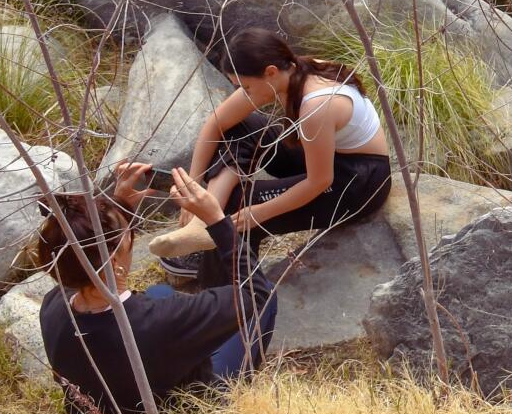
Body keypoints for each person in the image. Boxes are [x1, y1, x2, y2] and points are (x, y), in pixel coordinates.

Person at [37, 163, 277, 414]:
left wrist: (120, 209)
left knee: (159, 292)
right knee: (266, 301)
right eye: (124, 233)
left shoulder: (53, 306)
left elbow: (90, 257)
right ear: (113, 260)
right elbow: (255, 294)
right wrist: (217, 221)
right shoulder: (161, 320)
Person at [152, 27, 392, 281]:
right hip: (327, 156)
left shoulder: (317, 105)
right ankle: (204, 222)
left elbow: (320, 181)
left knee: (242, 205)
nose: (244, 94)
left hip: (358, 182)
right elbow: (217, 123)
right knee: (240, 126)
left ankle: (226, 298)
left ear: (270, 72)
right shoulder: (294, 69)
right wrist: (192, 185)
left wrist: (258, 213)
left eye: (245, 87)